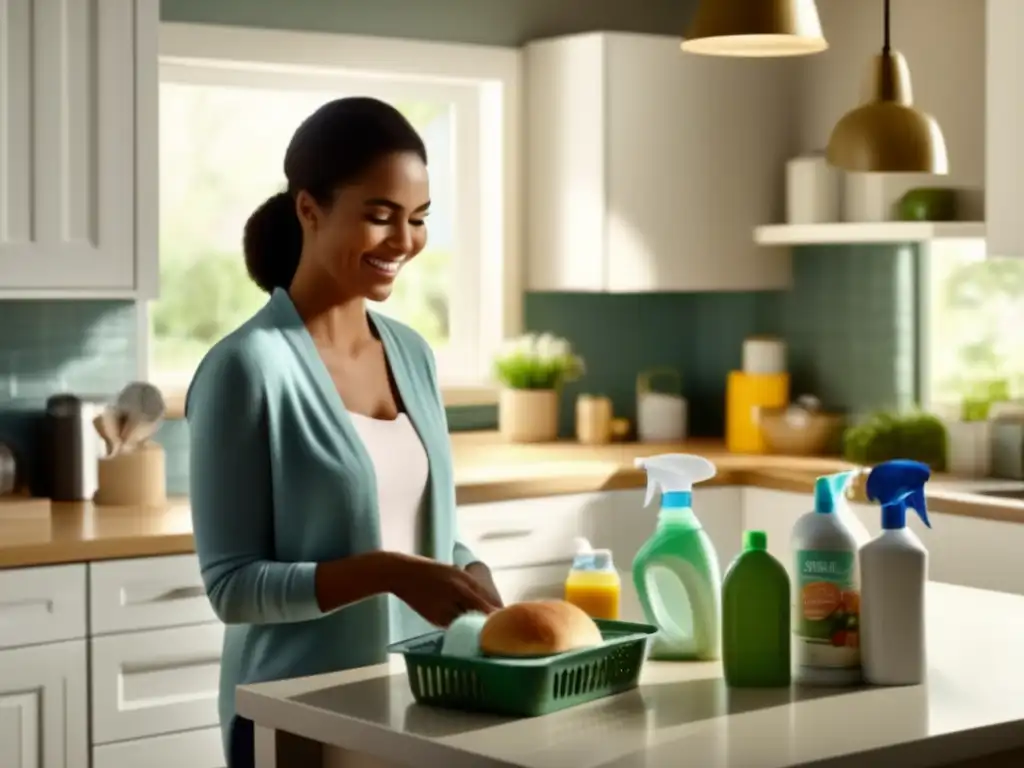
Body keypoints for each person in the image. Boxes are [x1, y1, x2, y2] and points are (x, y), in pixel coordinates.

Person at [185, 96, 503, 768]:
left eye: (418, 220)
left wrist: (466, 568)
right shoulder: (245, 368)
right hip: (296, 720)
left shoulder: (411, 354)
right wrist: (386, 574)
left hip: (415, 709)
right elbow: (233, 587)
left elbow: (411, 523)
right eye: (380, 216)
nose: (404, 241)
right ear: (309, 210)